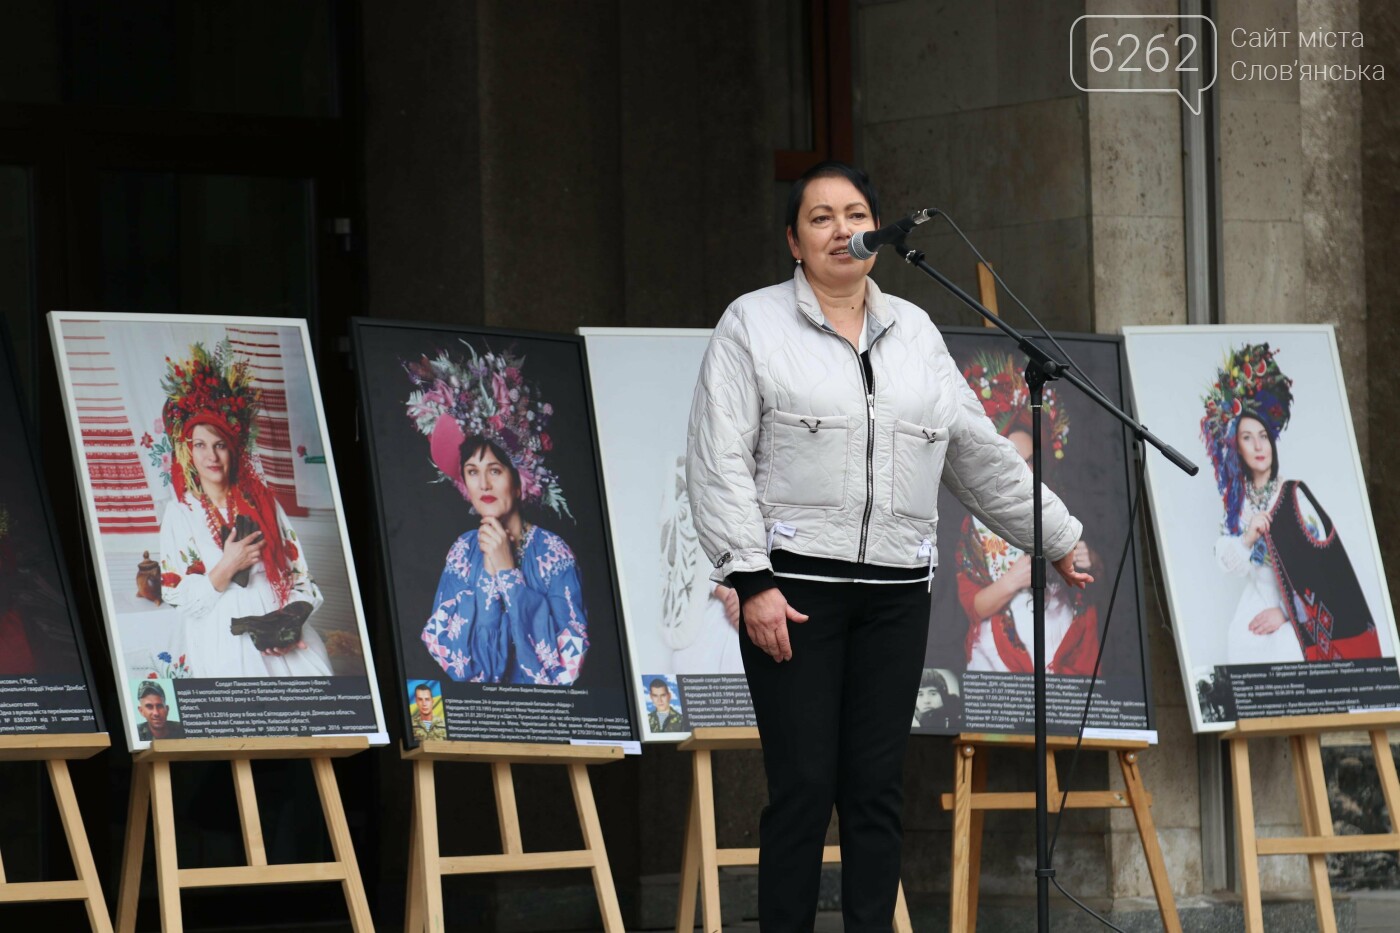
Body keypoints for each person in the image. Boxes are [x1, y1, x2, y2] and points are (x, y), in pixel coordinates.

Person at [686, 160, 1092, 930]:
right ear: (793, 241)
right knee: (805, 786)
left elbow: (976, 451)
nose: (843, 228)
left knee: (875, 790)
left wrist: (1057, 536)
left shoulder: (916, 332)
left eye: (856, 212)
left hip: (896, 593)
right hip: (793, 589)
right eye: (821, 217)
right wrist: (751, 578)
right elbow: (718, 459)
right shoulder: (752, 324)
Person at [407, 344, 588, 685]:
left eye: (495, 470)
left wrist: (508, 573)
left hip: (543, 723)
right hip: (481, 720)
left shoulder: (553, 553)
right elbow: (463, 666)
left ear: (521, 482)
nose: (484, 483)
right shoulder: (462, 552)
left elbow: (566, 666)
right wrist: (488, 576)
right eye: (472, 472)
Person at [157, 343, 331, 677]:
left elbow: (301, 578)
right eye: (201, 445)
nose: (212, 456)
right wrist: (228, 565)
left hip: (275, 621)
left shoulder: (264, 502)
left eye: (220, 445)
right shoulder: (180, 514)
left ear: (233, 448)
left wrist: (289, 623)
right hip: (219, 632)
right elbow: (175, 594)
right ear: (188, 452)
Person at [1204, 343, 1381, 663]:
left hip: (1299, 618)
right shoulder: (1237, 503)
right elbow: (1228, 565)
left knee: (1288, 652)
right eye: (1247, 437)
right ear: (1237, 447)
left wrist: (1287, 613)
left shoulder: (1293, 494)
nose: (1259, 446)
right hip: (1253, 608)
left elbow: (1322, 568)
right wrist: (1248, 537)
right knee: (1240, 644)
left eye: (1263, 436)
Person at [956, 352, 1102, 675]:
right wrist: (1011, 582)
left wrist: (1089, 560)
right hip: (1001, 656)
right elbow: (971, 604)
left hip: (1065, 642)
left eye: (1030, 462)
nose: (1022, 472)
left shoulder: (1057, 510)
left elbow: (1093, 581)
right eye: (1012, 463)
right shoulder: (977, 524)